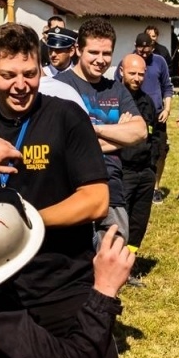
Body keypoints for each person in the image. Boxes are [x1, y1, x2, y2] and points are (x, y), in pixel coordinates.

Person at [0, 23, 117, 358]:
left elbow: (96, 199)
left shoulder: (65, 117)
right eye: (7, 75)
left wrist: (25, 223)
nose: (20, 85)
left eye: (30, 73)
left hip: (63, 285)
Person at [54, 18, 147, 239]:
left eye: (107, 53)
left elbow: (140, 131)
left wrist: (92, 129)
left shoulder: (116, 89)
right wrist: (118, 133)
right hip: (69, 189)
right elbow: (60, 143)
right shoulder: (59, 87)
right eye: (94, 52)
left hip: (111, 188)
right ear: (77, 49)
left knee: (113, 250)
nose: (101, 60)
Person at [117, 53, 162, 271]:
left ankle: (130, 264)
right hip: (123, 171)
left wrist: (152, 164)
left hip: (145, 171)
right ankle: (113, 263)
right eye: (132, 73)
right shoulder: (113, 99)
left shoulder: (147, 102)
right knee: (118, 221)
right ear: (121, 72)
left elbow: (157, 136)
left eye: (141, 74)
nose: (137, 78)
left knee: (138, 221)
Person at [133, 31, 174, 202]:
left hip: (158, 115)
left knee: (160, 151)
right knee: (136, 152)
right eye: (140, 51)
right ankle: (138, 186)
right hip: (137, 114)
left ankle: (155, 187)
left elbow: (167, 87)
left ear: (152, 47)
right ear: (136, 48)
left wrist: (167, 109)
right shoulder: (129, 62)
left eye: (147, 50)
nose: (144, 54)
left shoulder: (159, 61)